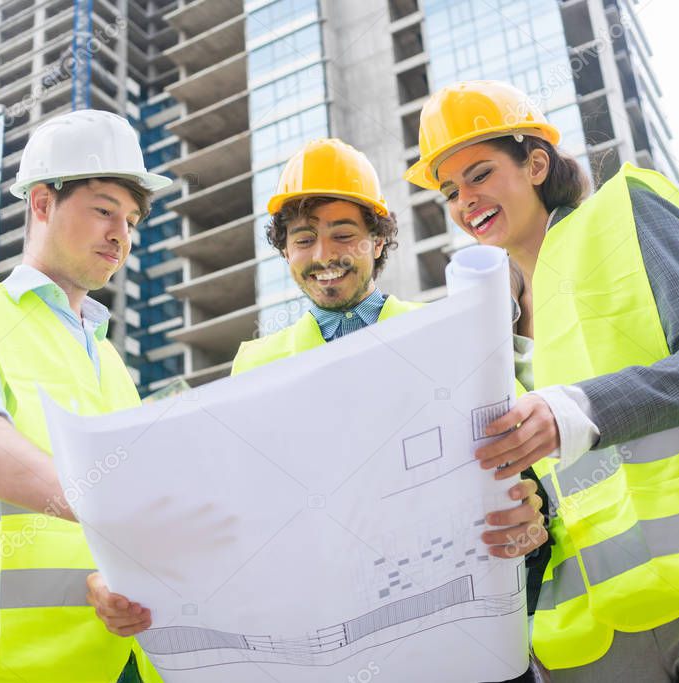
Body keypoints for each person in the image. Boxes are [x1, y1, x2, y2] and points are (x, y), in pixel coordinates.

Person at [86, 138, 550, 682]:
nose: (324, 255)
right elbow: (229, 517)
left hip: (445, 640)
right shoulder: (255, 365)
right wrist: (129, 575)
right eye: (304, 239)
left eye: (344, 235)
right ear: (286, 252)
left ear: (378, 242)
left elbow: (527, 476)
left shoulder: (446, 340)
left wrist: (531, 519)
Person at [403, 79, 679, 681]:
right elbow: (558, 488)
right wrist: (530, 517)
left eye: (479, 174)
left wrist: (571, 412)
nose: (465, 200)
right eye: (449, 191)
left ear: (535, 164)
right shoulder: (490, 333)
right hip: (593, 634)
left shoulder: (625, 211)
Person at [0, 110, 171, 682]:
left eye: (131, 218)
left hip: (119, 664)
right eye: (103, 210)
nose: (121, 233)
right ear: (42, 203)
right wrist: (119, 516)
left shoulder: (114, 364)